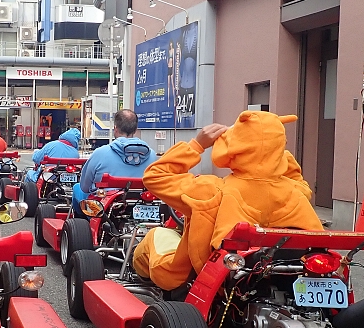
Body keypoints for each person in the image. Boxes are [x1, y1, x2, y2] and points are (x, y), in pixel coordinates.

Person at [132, 111, 323, 291]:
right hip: (287, 265)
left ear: (234, 147)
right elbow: (295, 175)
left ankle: (134, 271)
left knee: (157, 234)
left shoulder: (211, 189)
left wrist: (197, 145)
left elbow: (154, 177)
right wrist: (272, 149)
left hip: (206, 275)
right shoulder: (296, 191)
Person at [72, 110, 157, 212]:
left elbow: (85, 187)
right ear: (135, 130)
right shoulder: (152, 155)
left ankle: (84, 223)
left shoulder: (100, 153)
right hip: (142, 202)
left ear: (115, 128)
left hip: (105, 209)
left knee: (77, 188)